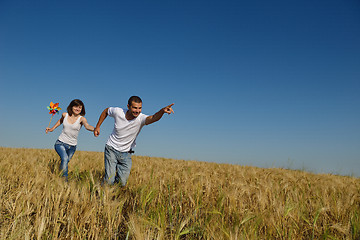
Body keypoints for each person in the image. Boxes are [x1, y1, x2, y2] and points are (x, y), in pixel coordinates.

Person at [94, 96, 174, 186]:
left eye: (140, 108)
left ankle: (113, 196)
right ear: (128, 106)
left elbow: (154, 117)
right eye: (135, 108)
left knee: (122, 183)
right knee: (109, 180)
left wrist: (162, 111)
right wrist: (98, 126)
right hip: (111, 148)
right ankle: (101, 195)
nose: (137, 111)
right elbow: (106, 111)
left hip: (126, 153)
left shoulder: (141, 119)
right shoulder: (118, 112)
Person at [46, 99, 95, 181]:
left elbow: (87, 126)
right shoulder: (65, 115)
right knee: (65, 159)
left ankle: (58, 174)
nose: (78, 109)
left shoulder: (82, 119)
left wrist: (95, 129)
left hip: (72, 146)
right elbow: (60, 121)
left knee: (65, 162)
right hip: (60, 143)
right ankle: (64, 181)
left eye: (80, 107)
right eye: (76, 106)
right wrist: (52, 129)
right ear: (71, 107)